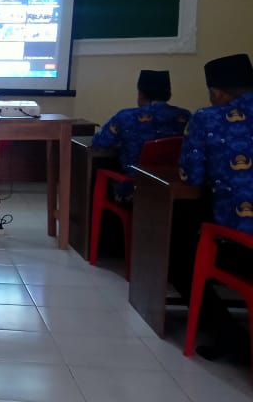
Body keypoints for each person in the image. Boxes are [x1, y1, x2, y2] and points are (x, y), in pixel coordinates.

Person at [178, 53, 253, 363]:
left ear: (218, 92)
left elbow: (192, 177)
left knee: (180, 257)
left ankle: (231, 338)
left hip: (242, 244)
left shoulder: (208, 119)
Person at [91, 69, 191, 201]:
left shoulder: (126, 117)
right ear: (168, 93)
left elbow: (100, 142)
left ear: (141, 93)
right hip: (172, 189)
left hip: (135, 188)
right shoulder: (185, 116)